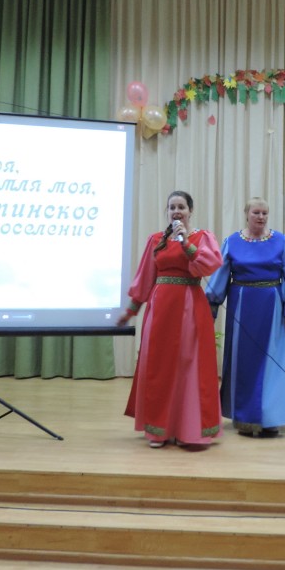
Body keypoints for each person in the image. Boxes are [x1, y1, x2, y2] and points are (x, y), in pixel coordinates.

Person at [117, 190, 223, 449]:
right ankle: (159, 430)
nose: (176, 211)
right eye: (172, 207)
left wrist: (186, 243)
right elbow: (145, 277)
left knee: (189, 365)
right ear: (167, 211)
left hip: (190, 307)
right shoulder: (156, 240)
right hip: (161, 309)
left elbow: (210, 264)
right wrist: (130, 311)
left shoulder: (202, 237)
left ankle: (189, 429)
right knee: (160, 366)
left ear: (190, 211)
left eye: (181, 207)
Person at [206, 198, 285, 438]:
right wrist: (210, 309)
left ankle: (271, 419)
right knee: (243, 364)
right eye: (256, 212)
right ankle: (245, 418)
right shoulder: (232, 242)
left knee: (273, 363)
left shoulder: (282, 241)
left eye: (264, 213)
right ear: (246, 214)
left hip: (272, 308)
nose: (261, 217)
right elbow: (220, 277)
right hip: (242, 309)